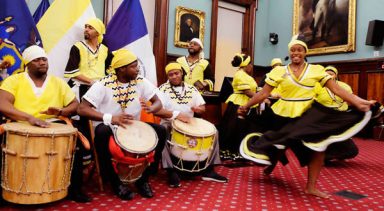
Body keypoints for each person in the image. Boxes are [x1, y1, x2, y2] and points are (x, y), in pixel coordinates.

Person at [238, 36, 375, 198]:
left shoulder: (317, 70)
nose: (296, 52)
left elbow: (338, 90)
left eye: (300, 49)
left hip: (308, 115)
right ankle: (272, 163)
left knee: (318, 147)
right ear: (290, 52)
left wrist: (360, 103)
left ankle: (311, 186)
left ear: (305, 52)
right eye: (293, 49)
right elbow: (263, 93)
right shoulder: (279, 71)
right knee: (280, 142)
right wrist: (245, 106)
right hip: (282, 113)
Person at [0, 45, 91, 202]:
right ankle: (5, 188)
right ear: (27, 64)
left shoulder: (58, 83)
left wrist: (61, 112)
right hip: (20, 123)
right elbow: (3, 104)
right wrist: (29, 118)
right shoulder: (14, 80)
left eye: (44, 59)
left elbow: (75, 105)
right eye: (36, 60)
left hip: (53, 123)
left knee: (77, 140)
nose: (42, 62)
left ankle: (75, 188)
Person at [77, 49, 166, 200]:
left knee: (161, 131)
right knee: (102, 131)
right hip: (109, 128)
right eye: (133, 66)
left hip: (133, 128)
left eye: (137, 65)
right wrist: (111, 118)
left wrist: (152, 108)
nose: (138, 69)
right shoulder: (103, 84)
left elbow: (158, 101)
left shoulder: (140, 81)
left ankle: (143, 179)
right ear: (121, 69)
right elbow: (82, 109)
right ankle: (115, 181)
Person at [156, 62, 228, 188]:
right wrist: (176, 116)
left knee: (214, 131)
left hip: (189, 123)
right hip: (169, 121)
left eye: (176, 73)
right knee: (162, 131)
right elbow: (159, 111)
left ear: (181, 73)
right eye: (170, 74)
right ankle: (171, 171)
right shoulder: (162, 89)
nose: (173, 76)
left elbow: (202, 107)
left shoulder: (192, 89)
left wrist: (198, 109)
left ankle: (209, 169)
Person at [64, 17, 112, 167]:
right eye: (85, 27)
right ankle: (84, 157)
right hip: (82, 88)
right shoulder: (77, 47)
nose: (86, 29)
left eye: (90, 27)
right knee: (83, 120)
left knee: (101, 120)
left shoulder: (105, 50)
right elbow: (72, 71)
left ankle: (101, 156)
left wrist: (104, 83)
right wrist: (92, 82)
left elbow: (110, 69)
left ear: (98, 32)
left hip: (100, 89)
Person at [218, 53, 259, 161]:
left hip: (245, 102)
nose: (252, 66)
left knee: (243, 128)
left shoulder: (245, 75)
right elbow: (247, 91)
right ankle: (233, 153)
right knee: (235, 129)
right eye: (250, 64)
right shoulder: (240, 75)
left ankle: (242, 152)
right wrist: (261, 98)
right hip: (239, 103)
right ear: (246, 65)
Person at [314, 66, 359, 163]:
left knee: (351, 149)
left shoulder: (344, 86)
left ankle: (332, 154)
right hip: (323, 118)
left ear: (336, 75)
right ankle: (323, 157)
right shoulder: (317, 86)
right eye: (326, 73)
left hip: (340, 117)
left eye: (331, 73)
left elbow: (350, 100)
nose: (328, 75)